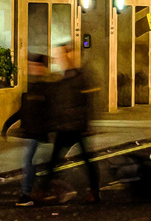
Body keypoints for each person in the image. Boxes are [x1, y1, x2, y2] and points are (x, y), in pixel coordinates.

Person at [40, 45, 99, 204]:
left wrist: (87, 124)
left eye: (63, 54)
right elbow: (58, 103)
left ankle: (94, 191)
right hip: (65, 126)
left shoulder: (80, 77)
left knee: (86, 160)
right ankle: (45, 189)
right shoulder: (62, 77)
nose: (60, 58)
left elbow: (88, 103)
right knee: (55, 159)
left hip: (78, 127)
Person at [2, 53, 52, 207]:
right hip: (31, 133)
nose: (31, 68)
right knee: (32, 164)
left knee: (30, 163)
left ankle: (28, 194)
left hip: (39, 133)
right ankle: (35, 192)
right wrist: (6, 125)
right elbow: (23, 111)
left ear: (42, 68)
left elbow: (52, 112)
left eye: (34, 65)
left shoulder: (47, 88)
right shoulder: (32, 87)